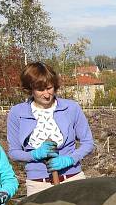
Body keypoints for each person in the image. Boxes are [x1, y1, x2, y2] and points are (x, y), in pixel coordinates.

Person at [7, 62, 94, 196]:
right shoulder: (17, 113)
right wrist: (34, 155)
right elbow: (14, 152)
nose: (47, 94)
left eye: (49, 88)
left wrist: (70, 159)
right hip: (38, 185)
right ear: (30, 89)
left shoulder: (71, 108)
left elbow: (88, 143)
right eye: (40, 90)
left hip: (73, 179)